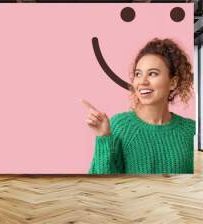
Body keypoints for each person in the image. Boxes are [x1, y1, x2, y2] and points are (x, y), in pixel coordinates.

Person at [83, 38, 195, 174]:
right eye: (138, 74)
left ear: (172, 82)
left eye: (152, 73)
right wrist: (103, 137)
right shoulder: (119, 126)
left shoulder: (191, 131)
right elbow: (100, 187)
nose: (142, 81)